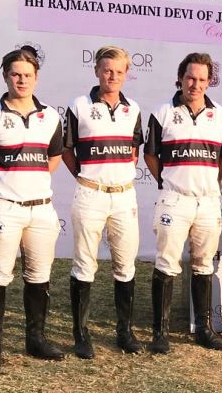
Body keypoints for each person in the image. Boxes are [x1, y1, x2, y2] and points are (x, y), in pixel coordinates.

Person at [0, 49, 65, 369]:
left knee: (39, 275)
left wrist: (29, 182)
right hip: (3, 209)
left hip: (41, 209)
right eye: (15, 74)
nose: (21, 80)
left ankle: (35, 340)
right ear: (6, 75)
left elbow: (54, 157)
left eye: (27, 74)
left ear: (36, 77)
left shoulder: (50, 116)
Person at [144, 53, 222, 354]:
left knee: (203, 264)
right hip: (174, 199)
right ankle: (160, 332)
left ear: (210, 82)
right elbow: (151, 156)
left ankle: (204, 329)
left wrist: (209, 184)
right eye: (190, 78)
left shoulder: (221, 115)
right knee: (166, 264)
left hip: (207, 202)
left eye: (202, 79)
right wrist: (169, 181)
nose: (195, 84)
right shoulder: (163, 113)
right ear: (180, 78)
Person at [61, 46, 144, 358]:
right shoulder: (79, 105)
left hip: (124, 196)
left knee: (125, 265)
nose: (113, 76)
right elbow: (67, 149)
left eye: (119, 71)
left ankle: (125, 331)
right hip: (90, 194)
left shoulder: (133, 108)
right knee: (84, 264)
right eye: (107, 70)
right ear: (97, 70)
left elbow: (134, 149)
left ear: (126, 74)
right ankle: (81, 335)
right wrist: (84, 176)